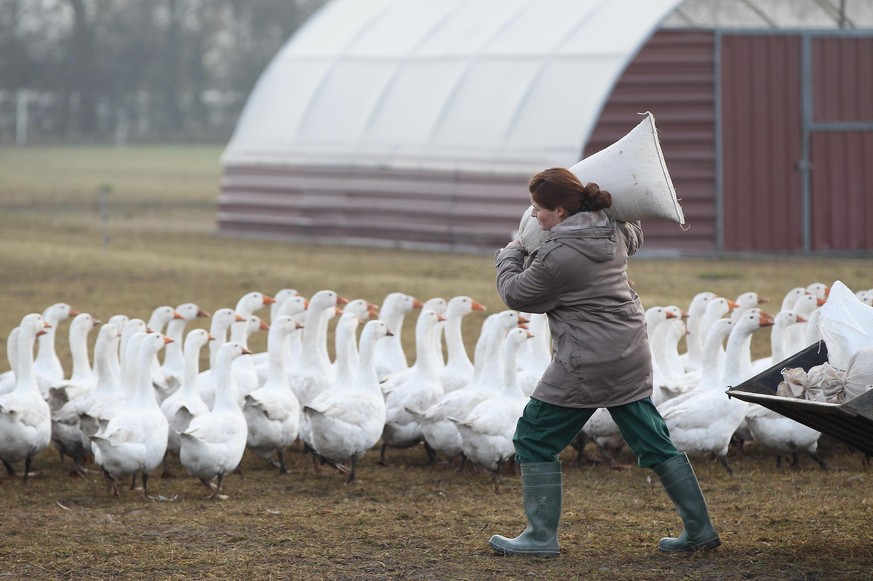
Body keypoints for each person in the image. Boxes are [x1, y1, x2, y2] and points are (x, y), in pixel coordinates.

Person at [489, 167, 720, 557]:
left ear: (560, 211)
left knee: (533, 437)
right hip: (629, 350)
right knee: (652, 439)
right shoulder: (609, 229)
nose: (534, 216)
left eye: (538, 209)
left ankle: (540, 536)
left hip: (586, 359)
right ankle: (699, 528)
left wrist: (511, 252)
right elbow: (635, 233)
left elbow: (516, 294)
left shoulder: (558, 255)